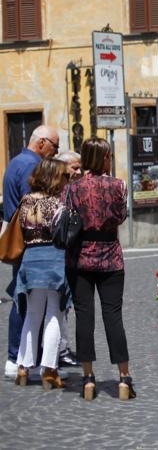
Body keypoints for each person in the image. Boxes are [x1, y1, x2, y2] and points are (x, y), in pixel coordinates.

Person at [66, 137, 133, 401]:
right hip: (110, 257)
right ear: (103, 158)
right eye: (108, 156)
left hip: (79, 258)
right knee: (113, 316)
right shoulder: (118, 185)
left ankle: (88, 378)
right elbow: (121, 216)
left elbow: (65, 218)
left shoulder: (72, 189)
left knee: (84, 317)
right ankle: (124, 378)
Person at [2, 124, 59, 379]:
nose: (55, 153)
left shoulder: (16, 161)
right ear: (42, 142)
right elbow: (34, 211)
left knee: (23, 299)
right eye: (54, 147)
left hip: (21, 242)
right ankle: (21, 358)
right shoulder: (31, 167)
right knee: (26, 303)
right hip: (33, 245)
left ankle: (21, 359)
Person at [12, 158, 72, 389]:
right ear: (55, 177)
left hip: (30, 258)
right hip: (54, 258)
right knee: (55, 314)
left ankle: (23, 367)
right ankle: (49, 368)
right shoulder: (57, 202)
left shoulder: (26, 200)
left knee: (32, 313)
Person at [53, 150, 82, 368]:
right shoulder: (57, 192)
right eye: (75, 167)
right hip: (58, 256)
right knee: (60, 304)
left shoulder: (73, 189)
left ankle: (62, 348)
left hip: (69, 255)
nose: (79, 171)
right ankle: (60, 350)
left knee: (65, 304)